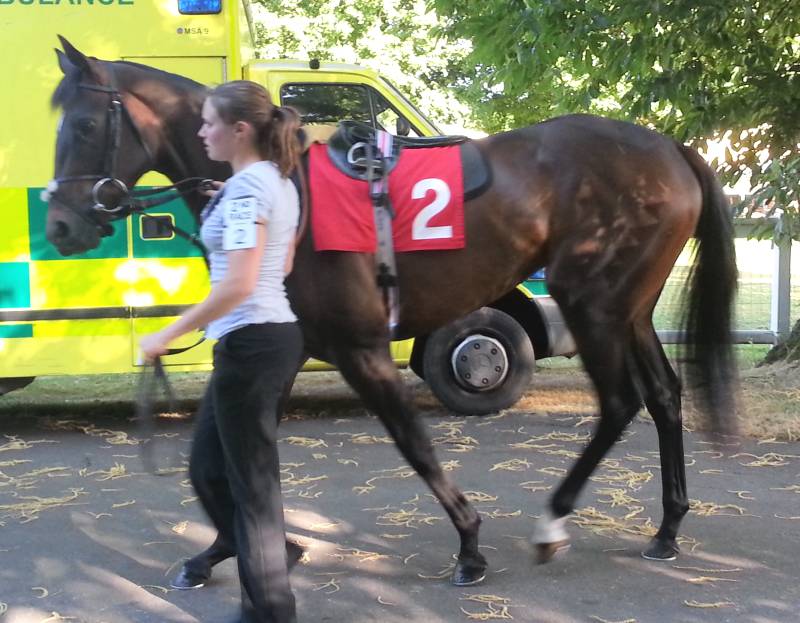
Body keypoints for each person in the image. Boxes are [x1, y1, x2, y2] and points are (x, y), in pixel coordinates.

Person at [140, 80, 304, 623]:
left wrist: (166, 334)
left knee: (252, 490)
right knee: (208, 469)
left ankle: (269, 611)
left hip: (253, 343)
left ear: (239, 130)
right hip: (261, 340)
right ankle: (269, 555)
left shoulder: (249, 190)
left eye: (209, 122)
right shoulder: (270, 183)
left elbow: (239, 284)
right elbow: (281, 263)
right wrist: (229, 207)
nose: (201, 132)